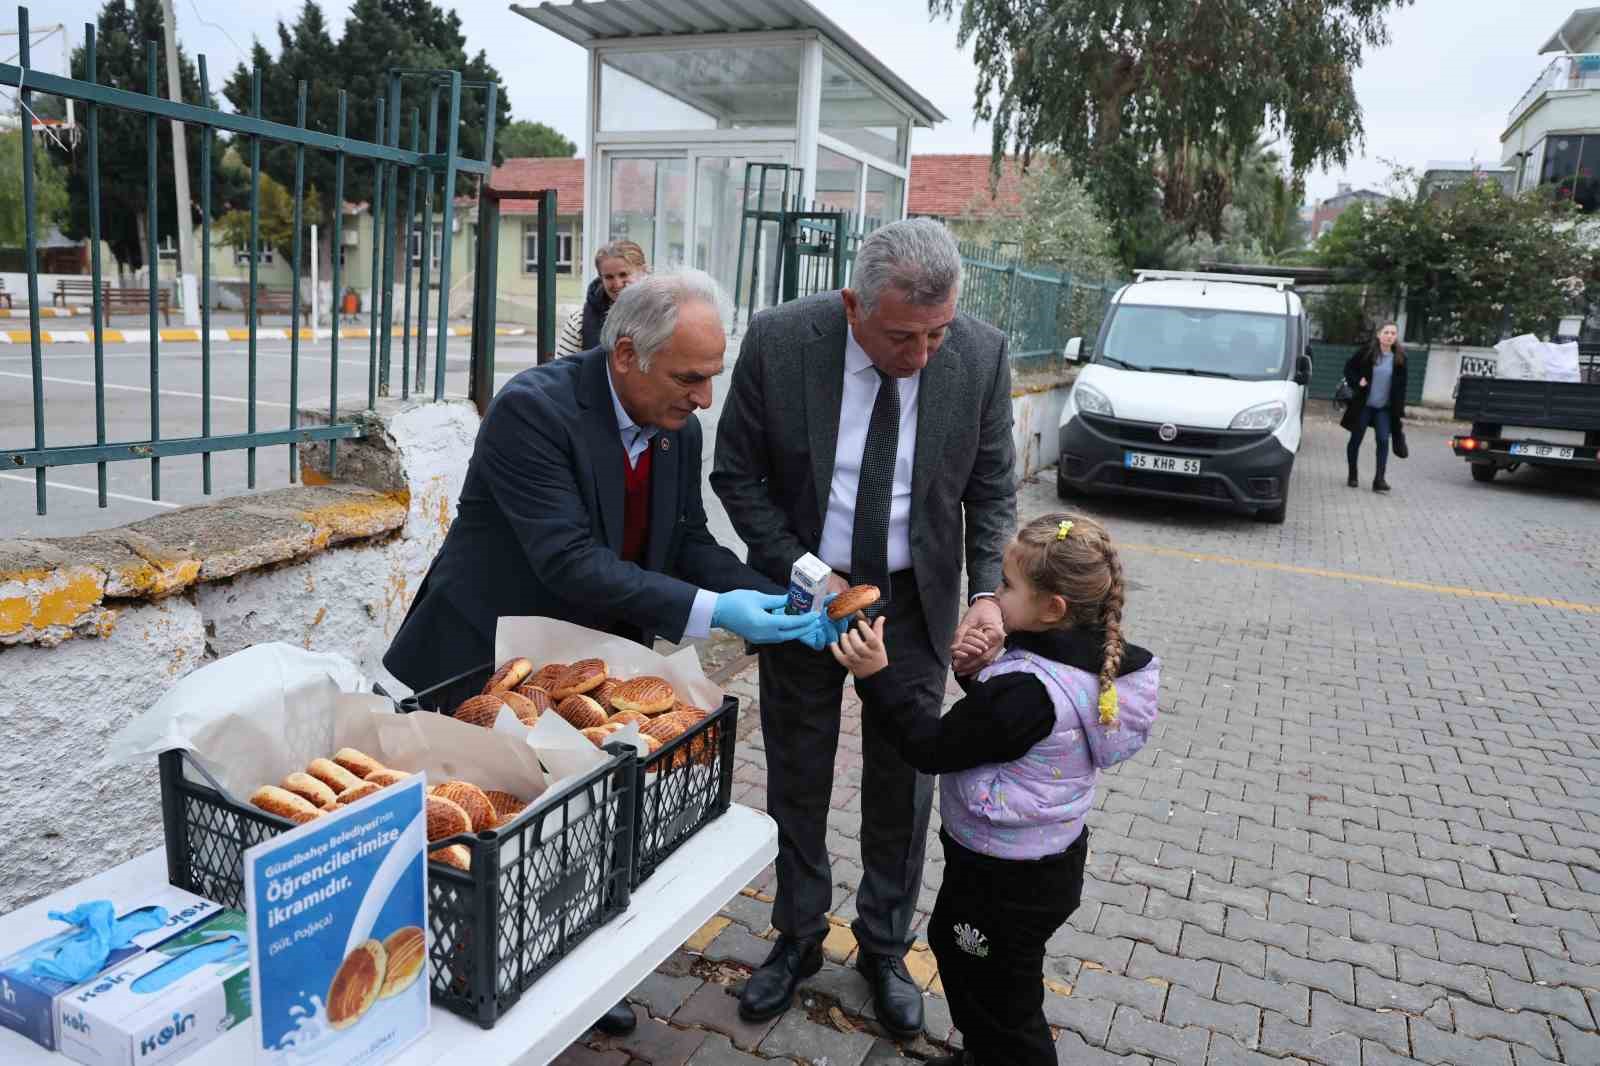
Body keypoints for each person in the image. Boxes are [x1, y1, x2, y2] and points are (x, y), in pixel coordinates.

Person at [384, 270, 833, 1037]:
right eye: (690, 378)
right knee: (472, 838)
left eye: (711, 378)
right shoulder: (534, 410)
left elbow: (686, 538)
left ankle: (569, 973)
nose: (703, 399)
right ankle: (457, 991)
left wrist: (771, 595)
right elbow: (568, 559)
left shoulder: (677, 430)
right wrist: (715, 612)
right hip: (479, 661)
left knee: (576, 829)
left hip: (580, 676)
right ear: (627, 354)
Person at [713, 217, 1017, 1036]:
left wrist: (988, 591)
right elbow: (736, 475)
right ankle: (798, 935)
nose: (922, 355)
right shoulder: (781, 341)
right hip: (809, 598)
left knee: (904, 779)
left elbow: (991, 490)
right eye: (902, 337)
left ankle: (884, 944)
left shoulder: (980, 354)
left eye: (937, 333)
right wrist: (811, 572)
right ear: (853, 305)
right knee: (798, 768)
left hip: (915, 604)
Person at [828, 513, 1160, 1066]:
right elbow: (1011, 729)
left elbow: (931, 747)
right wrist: (978, 678)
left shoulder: (1025, 693)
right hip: (1043, 865)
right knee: (979, 968)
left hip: (1001, 878)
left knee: (1004, 1004)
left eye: (1007, 586)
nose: (995, 595)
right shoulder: (1085, 666)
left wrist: (877, 675)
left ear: (1053, 607)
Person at [1342, 322, 1409, 493]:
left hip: (1384, 408)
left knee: (1383, 440)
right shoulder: (1367, 352)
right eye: (1386, 332)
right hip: (1364, 405)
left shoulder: (1400, 359)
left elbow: (1401, 388)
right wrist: (1358, 381)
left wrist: (1398, 411)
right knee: (1356, 439)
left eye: (1393, 333)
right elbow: (1349, 368)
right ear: (1379, 335)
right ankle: (1353, 474)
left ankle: (1379, 479)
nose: (1390, 336)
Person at [555, 240, 648, 357]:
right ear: (601, 278)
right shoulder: (579, 321)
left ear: (643, 271)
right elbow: (562, 370)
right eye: (609, 277)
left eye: (623, 274)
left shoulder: (665, 315)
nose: (617, 283)